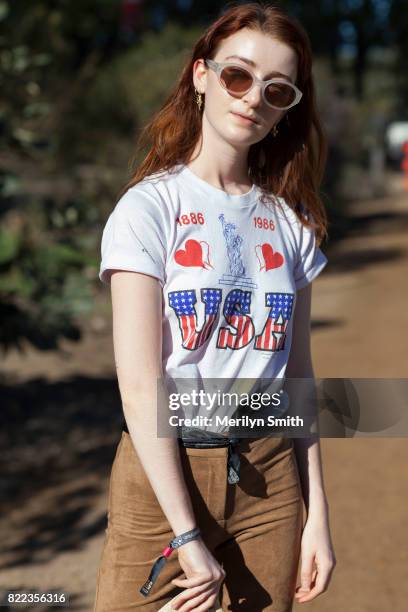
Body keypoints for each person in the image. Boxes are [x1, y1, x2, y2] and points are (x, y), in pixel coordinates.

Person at [94, 3, 336, 611]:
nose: (254, 97)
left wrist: (317, 517)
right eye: (238, 75)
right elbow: (142, 383)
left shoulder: (291, 224)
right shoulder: (148, 210)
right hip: (162, 471)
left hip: (270, 474)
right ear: (201, 76)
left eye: (276, 89)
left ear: (287, 110)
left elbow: (298, 377)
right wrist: (185, 533)